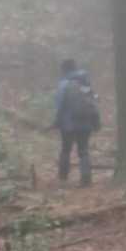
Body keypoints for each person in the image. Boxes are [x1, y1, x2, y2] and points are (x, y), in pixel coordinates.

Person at [52, 58, 100, 186]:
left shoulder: (63, 84)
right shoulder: (84, 82)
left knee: (65, 149)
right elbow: (93, 102)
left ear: (64, 69)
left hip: (68, 124)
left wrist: (56, 122)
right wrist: (96, 121)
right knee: (83, 150)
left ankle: (63, 178)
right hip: (85, 122)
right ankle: (86, 179)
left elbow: (59, 105)